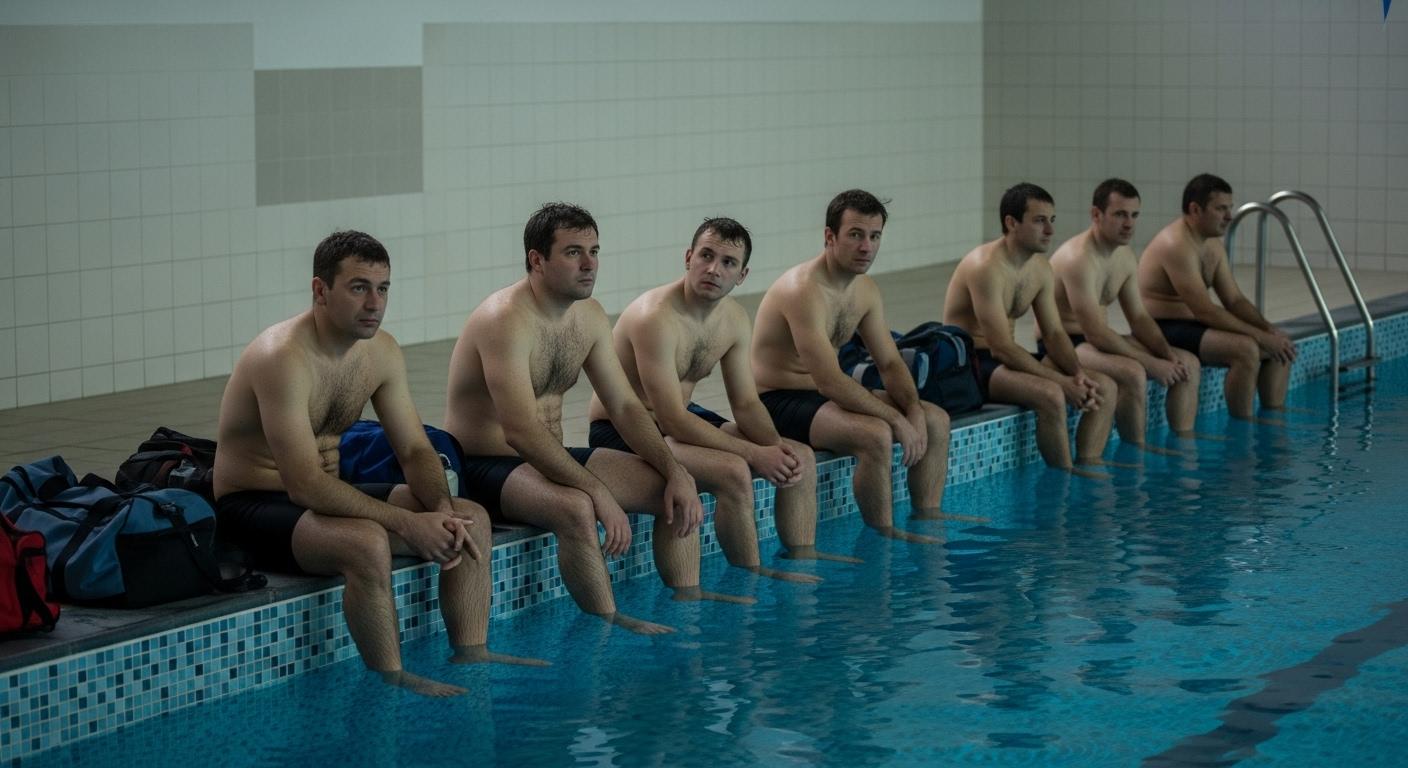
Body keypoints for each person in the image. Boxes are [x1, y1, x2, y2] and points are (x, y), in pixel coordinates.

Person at [213, 231, 541, 700]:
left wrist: (441, 511)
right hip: (255, 504)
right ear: (320, 291)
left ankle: (471, 652)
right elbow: (304, 483)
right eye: (359, 287)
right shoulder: (281, 357)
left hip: (327, 494)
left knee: (472, 519)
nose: (374, 303)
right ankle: (392, 678)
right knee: (367, 543)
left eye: (383, 288)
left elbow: (414, 450)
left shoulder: (380, 352)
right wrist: (409, 524)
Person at [444, 203, 749, 637]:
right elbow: (519, 431)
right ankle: (609, 623)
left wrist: (675, 469)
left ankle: (686, 603)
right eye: (573, 253)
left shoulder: (588, 317)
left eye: (594, 250)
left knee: (671, 488)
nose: (590, 265)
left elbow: (624, 406)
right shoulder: (504, 320)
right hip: (486, 462)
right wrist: (596, 490)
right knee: (577, 508)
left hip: (548, 456)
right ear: (537, 260)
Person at [588, 217, 858, 583]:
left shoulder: (733, 319)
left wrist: (774, 448)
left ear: (742, 275)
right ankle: (752, 576)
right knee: (732, 471)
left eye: (728, 263)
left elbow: (746, 404)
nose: (714, 269)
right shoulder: (655, 318)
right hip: (622, 428)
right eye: (706, 256)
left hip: (677, 418)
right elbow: (670, 419)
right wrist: (753, 454)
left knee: (801, 457)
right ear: (688, 257)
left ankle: (801, 557)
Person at [751, 189, 950, 541]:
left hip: (821, 393)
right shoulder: (803, 291)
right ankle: (884, 537)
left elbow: (889, 362)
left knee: (935, 419)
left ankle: (928, 519)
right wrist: (895, 419)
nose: (866, 247)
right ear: (830, 236)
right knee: (875, 436)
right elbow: (829, 381)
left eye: (874, 237)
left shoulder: (865, 290)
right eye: (855, 235)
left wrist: (913, 409)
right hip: (778, 399)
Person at [943, 183, 1119, 475]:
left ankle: (1089, 462)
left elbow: (1053, 333)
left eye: (1051, 220)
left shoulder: (1040, 269)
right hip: (972, 363)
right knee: (1051, 394)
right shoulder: (985, 267)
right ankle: (1065, 478)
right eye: (1039, 221)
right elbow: (999, 345)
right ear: (1011, 223)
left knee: (1105, 386)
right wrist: (1061, 383)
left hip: (1007, 358)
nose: (1049, 230)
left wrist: (1077, 374)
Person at [1049, 178, 1202, 446]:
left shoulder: (1124, 256)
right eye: (1120, 214)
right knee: (1133, 372)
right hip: (1068, 343)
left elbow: (1140, 318)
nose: (1129, 223)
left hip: (1096, 342)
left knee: (1187, 363)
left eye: (1134, 215)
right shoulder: (1078, 259)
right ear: (1096, 215)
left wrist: (1166, 355)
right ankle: (1135, 452)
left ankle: (1184, 443)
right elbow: (1094, 331)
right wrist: (1151, 362)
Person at [1138, 173, 1296, 420]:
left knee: (1281, 345)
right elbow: (1206, 311)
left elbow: (1234, 300)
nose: (1229, 216)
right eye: (1221, 209)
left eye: (1230, 208)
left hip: (1193, 322)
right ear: (1195, 209)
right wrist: (1260, 337)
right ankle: (1243, 429)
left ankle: (1272, 421)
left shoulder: (1212, 244)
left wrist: (1268, 330)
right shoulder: (1176, 245)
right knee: (1246, 350)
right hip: (1162, 327)